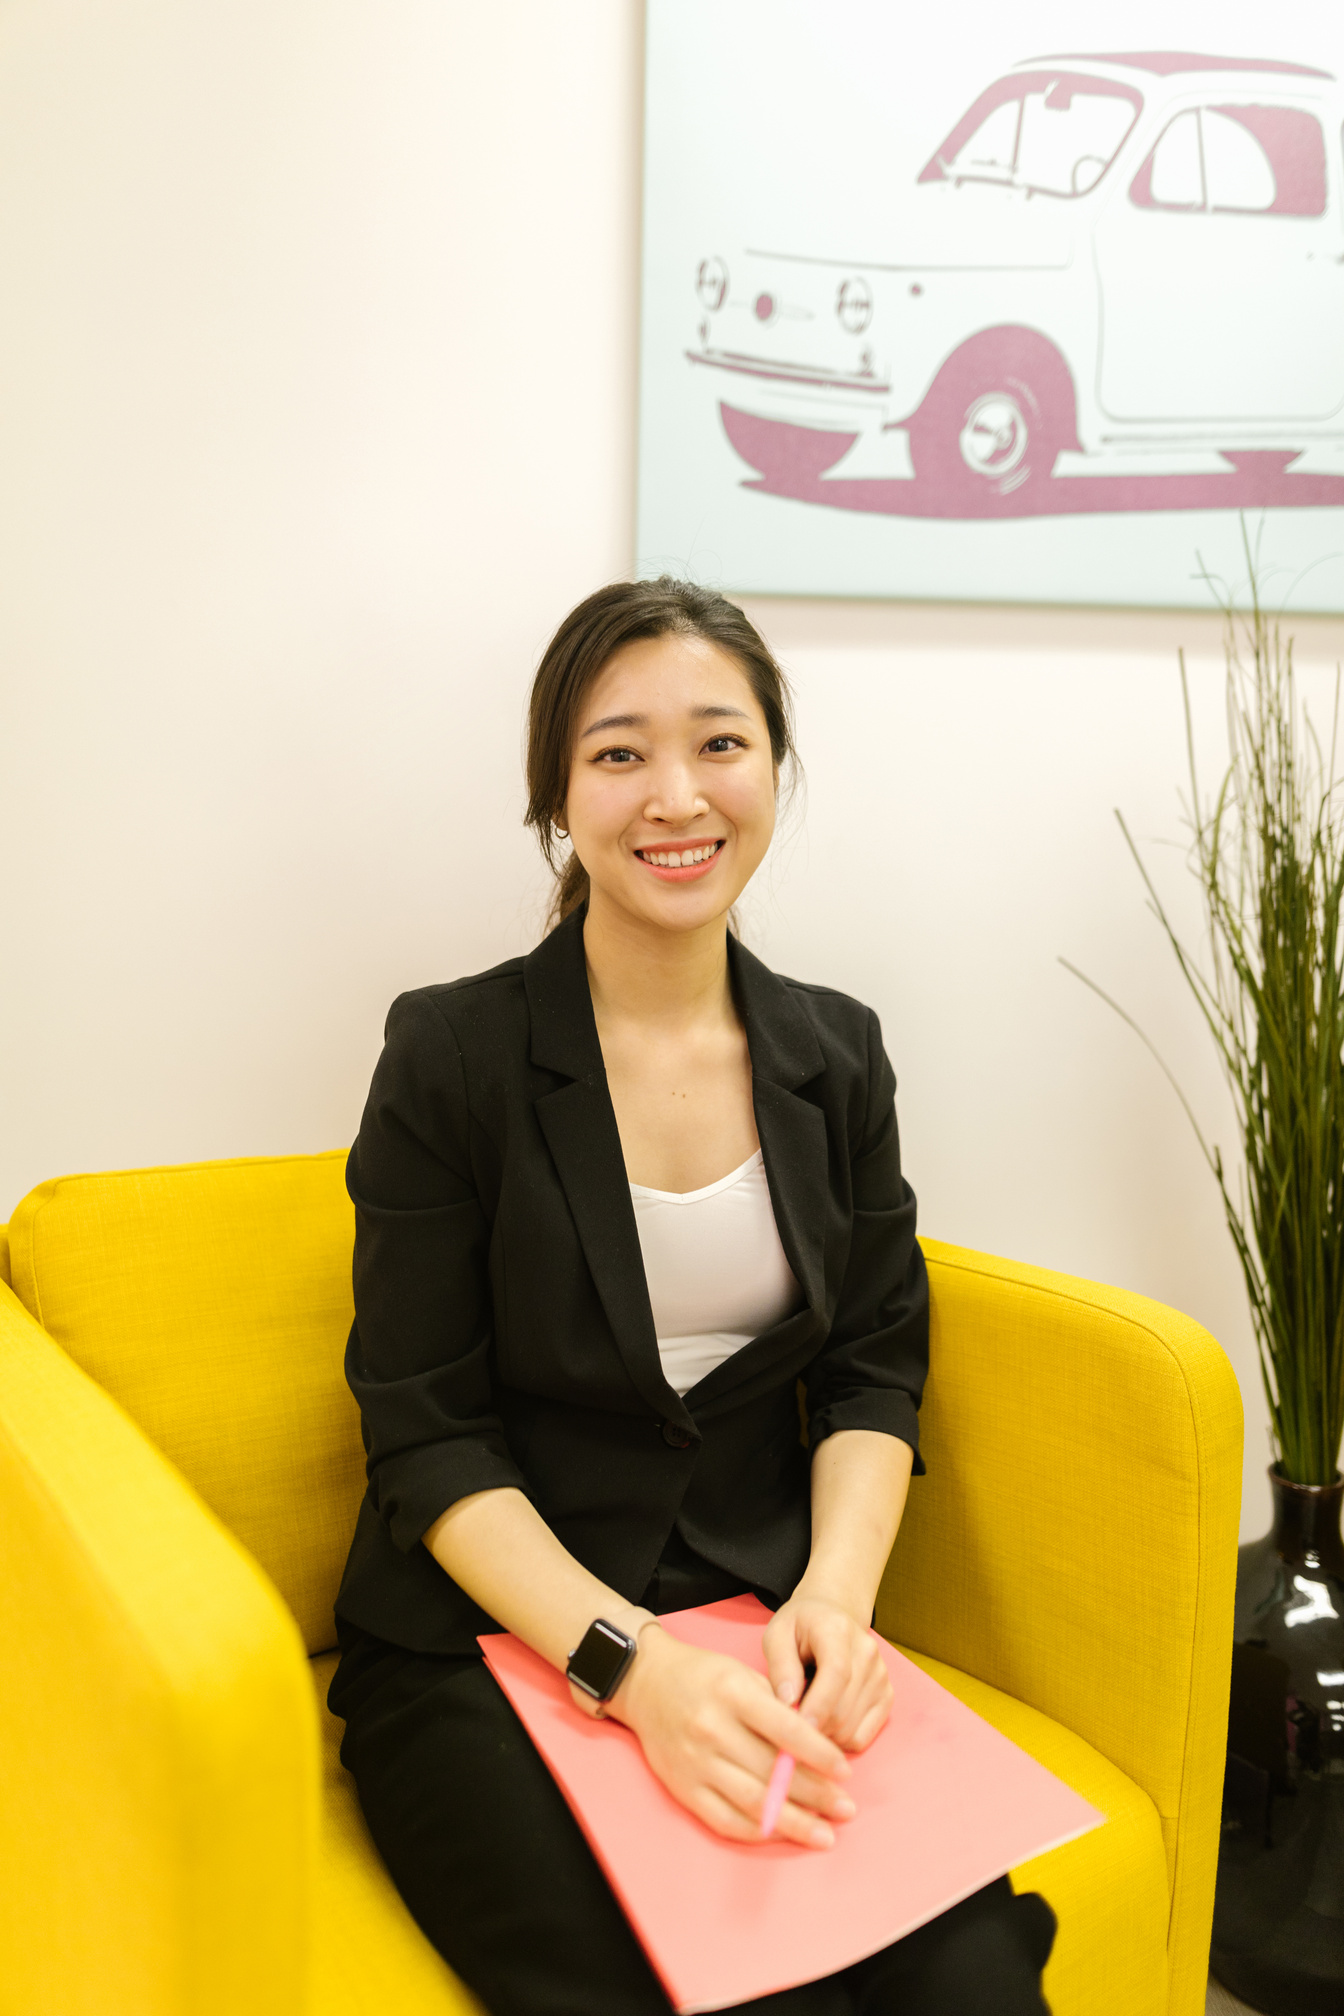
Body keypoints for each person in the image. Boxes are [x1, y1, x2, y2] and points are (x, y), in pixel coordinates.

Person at [328, 578, 1056, 2015]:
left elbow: (871, 1365)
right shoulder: (453, 1055)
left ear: (775, 765)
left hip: (753, 1622)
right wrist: (636, 1673)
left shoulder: (834, 1054)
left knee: (975, 1987)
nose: (676, 795)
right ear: (556, 793)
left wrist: (837, 1602)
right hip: (485, 1650)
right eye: (618, 752)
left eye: (720, 743)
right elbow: (426, 1431)